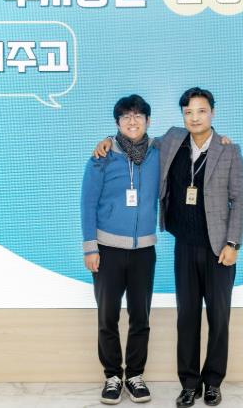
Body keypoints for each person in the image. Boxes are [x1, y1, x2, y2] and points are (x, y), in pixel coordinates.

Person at [94, 88, 243, 407]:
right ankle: (189, 384)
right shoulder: (173, 140)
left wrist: (233, 243)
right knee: (187, 318)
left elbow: (239, 200)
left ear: (212, 113)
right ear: (183, 116)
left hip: (219, 249)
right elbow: (136, 140)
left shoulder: (229, 150)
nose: (195, 117)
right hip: (184, 246)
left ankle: (213, 382)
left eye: (201, 111)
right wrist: (107, 140)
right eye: (189, 112)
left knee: (219, 318)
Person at [81, 94, 160, 405]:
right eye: (126, 116)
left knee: (141, 316)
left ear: (148, 121)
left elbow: (191, 136)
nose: (132, 120)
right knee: (108, 316)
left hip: (144, 251)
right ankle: (113, 376)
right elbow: (87, 203)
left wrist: (221, 139)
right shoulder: (101, 157)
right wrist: (90, 247)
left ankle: (135, 375)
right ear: (117, 122)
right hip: (107, 249)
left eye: (138, 115)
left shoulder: (159, 152)